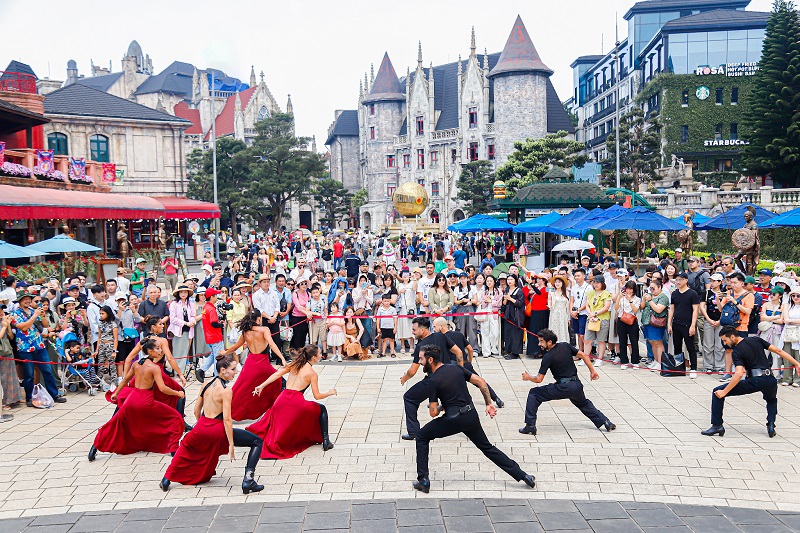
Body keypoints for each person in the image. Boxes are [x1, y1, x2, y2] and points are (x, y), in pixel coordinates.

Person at [412, 344, 535, 493]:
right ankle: (524, 475)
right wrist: (489, 403)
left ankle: (423, 481)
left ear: (430, 359)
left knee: (422, 436)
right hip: (470, 416)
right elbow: (481, 382)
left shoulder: (433, 380)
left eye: (421, 359)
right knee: (487, 448)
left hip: (453, 420)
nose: (419, 362)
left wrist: (440, 407)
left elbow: (433, 413)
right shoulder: (456, 368)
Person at [161, 355, 264, 494]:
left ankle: (166, 479)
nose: (236, 372)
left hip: (202, 426)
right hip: (216, 428)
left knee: (185, 447)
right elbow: (227, 420)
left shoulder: (206, 384)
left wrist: (202, 428)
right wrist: (231, 444)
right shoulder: (226, 391)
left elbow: (196, 410)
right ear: (223, 370)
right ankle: (248, 480)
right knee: (257, 441)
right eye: (233, 369)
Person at [89, 339, 185, 462]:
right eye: (157, 348)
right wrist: (178, 393)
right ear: (150, 351)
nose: (160, 351)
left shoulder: (137, 364)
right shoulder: (154, 368)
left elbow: (124, 380)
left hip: (131, 400)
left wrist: (116, 393)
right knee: (176, 418)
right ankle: (173, 449)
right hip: (146, 401)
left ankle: (95, 447)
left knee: (114, 423)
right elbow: (162, 388)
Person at [702, 326, 800, 438]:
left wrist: (724, 391)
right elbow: (778, 350)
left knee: (717, 392)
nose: (725, 343)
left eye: (725, 340)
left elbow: (738, 374)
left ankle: (717, 425)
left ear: (733, 337)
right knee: (771, 400)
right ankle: (771, 424)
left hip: (755, 381)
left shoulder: (737, 351)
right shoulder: (756, 339)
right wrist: (797, 364)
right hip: (770, 379)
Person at [519, 329, 615, 435]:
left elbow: (539, 379)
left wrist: (528, 377)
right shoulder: (565, 346)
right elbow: (583, 355)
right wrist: (592, 371)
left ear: (549, 342)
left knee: (534, 393)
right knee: (583, 403)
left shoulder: (548, 357)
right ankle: (606, 422)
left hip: (563, 387)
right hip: (576, 385)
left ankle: (530, 426)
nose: (539, 344)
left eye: (541, 341)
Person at [249, 345, 336, 458]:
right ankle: (326, 441)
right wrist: (330, 392)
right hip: (296, 402)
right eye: (319, 354)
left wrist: (261, 386)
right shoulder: (312, 374)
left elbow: (277, 374)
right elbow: (317, 396)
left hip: (281, 399)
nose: (321, 356)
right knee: (321, 409)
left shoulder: (295, 364)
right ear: (314, 357)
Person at [399, 317, 464, 440]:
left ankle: (413, 432)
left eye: (414, 330)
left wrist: (404, 378)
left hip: (434, 380)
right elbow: (459, 352)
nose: (412, 332)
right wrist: (460, 372)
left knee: (409, 398)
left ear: (423, 330)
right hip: (450, 377)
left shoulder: (421, 347)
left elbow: (412, 371)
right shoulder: (441, 336)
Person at [221, 311, 285, 421]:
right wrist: (282, 358)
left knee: (240, 388)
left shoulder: (246, 332)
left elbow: (234, 347)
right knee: (279, 382)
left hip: (250, 362)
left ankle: (223, 409)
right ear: (259, 319)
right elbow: (271, 343)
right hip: (263, 363)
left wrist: (224, 353)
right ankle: (280, 408)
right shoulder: (264, 329)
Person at [11, 293, 66, 406]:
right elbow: (24, 327)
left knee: (47, 370)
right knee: (29, 374)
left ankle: (54, 395)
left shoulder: (34, 310)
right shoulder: (15, 314)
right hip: (25, 348)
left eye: (29, 299)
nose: (27, 301)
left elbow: (45, 325)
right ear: (19, 301)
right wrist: (35, 316)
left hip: (39, 345)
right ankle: (29, 398)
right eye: (24, 299)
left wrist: (43, 315)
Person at [435, 318, 503, 407]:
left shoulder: (441, 338)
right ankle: (496, 398)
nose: (434, 329)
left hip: (452, 367)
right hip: (465, 363)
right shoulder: (459, 335)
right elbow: (470, 349)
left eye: (435, 327)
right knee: (479, 382)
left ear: (441, 326)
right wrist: (469, 362)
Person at [197, 288, 225, 382]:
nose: (217, 297)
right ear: (212, 297)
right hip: (215, 336)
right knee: (218, 357)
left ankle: (201, 370)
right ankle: (218, 377)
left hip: (208, 336)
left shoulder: (205, 307)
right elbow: (213, 323)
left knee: (213, 355)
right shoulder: (212, 308)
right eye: (216, 295)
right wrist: (221, 324)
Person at [167, 285, 196, 375]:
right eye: (181, 292)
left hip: (188, 330)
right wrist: (185, 323)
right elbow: (173, 319)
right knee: (177, 352)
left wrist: (192, 321)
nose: (183, 294)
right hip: (178, 331)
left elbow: (193, 316)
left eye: (185, 292)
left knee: (184, 352)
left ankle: (182, 372)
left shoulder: (190, 304)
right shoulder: (174, 304)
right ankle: (177, 372)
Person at [584, 275, 612, 366]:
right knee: (588, 339)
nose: (595, 285)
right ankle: (586, 357)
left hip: (602, 318)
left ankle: (600, 358)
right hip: (591, 318)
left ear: (602, 283)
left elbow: (606, 307)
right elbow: (587, 305)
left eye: (598, 283)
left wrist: (595, 313)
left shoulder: (606, 293)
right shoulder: (590, 293)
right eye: (594, 282)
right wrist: (590, 313)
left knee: (601, 340)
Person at [700, 273, 726, 373]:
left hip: (720, 321)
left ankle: (720, 365)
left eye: (714, 281)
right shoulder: (706, 293)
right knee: (708, 344)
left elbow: (725, 308)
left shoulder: (724, 293)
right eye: (711, 281)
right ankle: (708, 365)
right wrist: (709, 319)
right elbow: (702, 307)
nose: (712, 283)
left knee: (719, 344)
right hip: (708, 320)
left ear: (720, 282)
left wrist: (720, 321)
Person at [642, 279, 669, 370]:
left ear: (659, 287)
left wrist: (650, 301)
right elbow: (642, 307)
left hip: (657, 322)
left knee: (658, 342)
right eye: (650, 288)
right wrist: (644, 299)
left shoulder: (663, 298)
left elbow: (658, 309)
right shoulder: (649, 295)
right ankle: (655, 360)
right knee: (651, 341)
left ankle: (660, 362)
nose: (652, 290)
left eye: (653, 288)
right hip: (647, 321)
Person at [614, 281, 642, 368]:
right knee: (622, 341)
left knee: (634, 341)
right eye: (628, 288)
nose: (629, 291)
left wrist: (630, 300)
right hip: (621, 320)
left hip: (632, 320)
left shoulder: (637, 299)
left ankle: (635, 361)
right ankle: (624, 361)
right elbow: (616, 308)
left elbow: (635, 310)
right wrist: (619, 298)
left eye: (631, 289)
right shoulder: (622, 297)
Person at [502, 274, 525, 360]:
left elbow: (520, 303)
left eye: (511, 279)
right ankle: (508, 350)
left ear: (515, 280)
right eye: (508, 279)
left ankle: (516, 352)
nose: (509, 281)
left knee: (516, 333)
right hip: (508, 314)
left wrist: (511, 299)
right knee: (508, 333)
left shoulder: (519, 291)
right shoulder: (507, 290)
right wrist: (506, 299)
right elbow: (504, 303)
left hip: (516, 314)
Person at [94, 305, 119, 386]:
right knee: (100, 363)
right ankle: (99, 380)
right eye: (100, 313)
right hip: (102, 345)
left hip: (110, 345)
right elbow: (99, 337)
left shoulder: (113, 324)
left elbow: (115, 338)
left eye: (103, 313)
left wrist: (114, 350)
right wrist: (97, 350)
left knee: (112, 364)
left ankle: (114, 382)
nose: (101, 315)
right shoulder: (100, 324)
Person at [548, 275, 570, 346]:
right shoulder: (551, 292)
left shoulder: (566, 292)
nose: (557, 284)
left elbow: (568, 306)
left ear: (562, 283)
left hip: (563, 314)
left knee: (563, 330)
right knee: (554, 330)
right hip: (554, 314)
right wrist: (550, 306)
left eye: (559, 282)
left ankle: (564, 346)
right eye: (556, 282)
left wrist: (568, 318)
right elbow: (549, 302)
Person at [377, 294, 398, 358]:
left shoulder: (393, 309)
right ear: (382, 301)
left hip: (391, 327)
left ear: (390, 301)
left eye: (388, 301)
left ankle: (392, 352)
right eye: (385, 301)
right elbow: (378, 319)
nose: (386, 302)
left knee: (391, 340)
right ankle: (383, 353)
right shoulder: (380, 309)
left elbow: (395, 319)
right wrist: (378, 327)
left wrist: (395, 327)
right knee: (385, 340)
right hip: (383, 327)